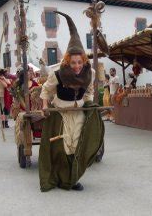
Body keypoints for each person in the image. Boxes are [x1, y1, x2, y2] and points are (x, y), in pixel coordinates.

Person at [39, 11, 104, 192]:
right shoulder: (58, 74)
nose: (76, 66)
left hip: (79, 112)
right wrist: (45, 106)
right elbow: (45, 91)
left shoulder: (89, 73)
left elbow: (89, 92)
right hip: (60, 113)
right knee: (63, 146)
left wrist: (90, 104)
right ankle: (60, 177)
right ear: (68, 60)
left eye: (79, 62)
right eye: (73, 62)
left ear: (83, 60)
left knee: (78, 145)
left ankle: (73, 179)